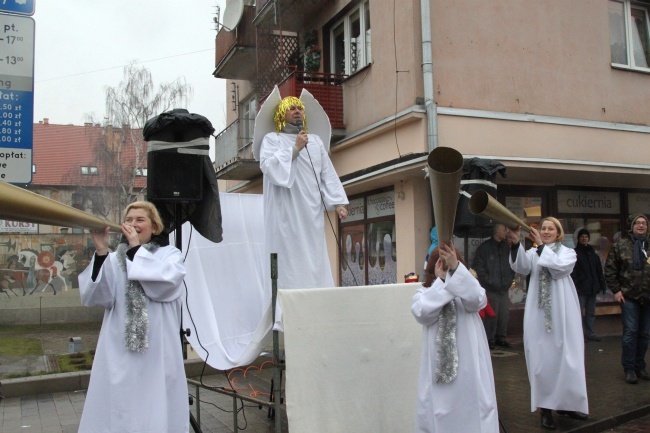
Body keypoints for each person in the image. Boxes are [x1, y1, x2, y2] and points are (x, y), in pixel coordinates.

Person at [77, 201, 189, 432]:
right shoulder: (114, 259)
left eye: (140, 220)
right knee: (121, 405)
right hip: (120, 348)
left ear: (154, 227)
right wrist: (100, 251)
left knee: (155, 405)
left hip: (156, 350)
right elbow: (97, 296)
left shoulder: (170, 254)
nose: (133, 224)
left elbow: (166, 285)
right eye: (128, 220)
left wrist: (136, 250)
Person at [257, 94, 349, 327]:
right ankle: (285, 316)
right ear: (281, 114)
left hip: (310, 212)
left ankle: (319, 310)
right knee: (289, 259)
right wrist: (294, 149)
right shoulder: (272, 139)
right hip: (285, 212)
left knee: (314, 257)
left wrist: (338, 202)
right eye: (291, 108)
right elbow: (267, 166)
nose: (297, 110)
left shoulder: (315, 141)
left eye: (300, 107)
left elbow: (326, 173)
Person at [508, 217, 588, 430]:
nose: (545, 231)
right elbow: (521, 267)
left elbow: (559, 268)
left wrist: (542, 247)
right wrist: (517, 242)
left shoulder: (568, 252)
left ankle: (568, 404)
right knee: (543, 360)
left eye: (550, 228)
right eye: (543, 228)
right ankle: (545, 409)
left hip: (563, 314)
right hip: (539, 314)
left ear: (558, 232)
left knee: (567, 357)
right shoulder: (534, 253)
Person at [411, 243, 499, 433]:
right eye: (441, 264)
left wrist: (456, 271)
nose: (445, 269)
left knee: (472, 409)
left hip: (469, 366)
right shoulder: (424, 293)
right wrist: (443, 282)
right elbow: (422, 313)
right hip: (438, 372)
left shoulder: (466, 289)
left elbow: (477, 299)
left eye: (448, 264)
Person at [604, 213, 650, 385]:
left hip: (648, 297)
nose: (640, 226)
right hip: (629, 297)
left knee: (644, 334)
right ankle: (629, 369)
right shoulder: (621, 245)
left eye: (643, 223)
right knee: (630, 333)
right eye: (637, 223)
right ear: (632, 226)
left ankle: (640, 366)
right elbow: (609, 270)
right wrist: (616, 291)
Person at [473, 223, 515, 349]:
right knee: (491, 315)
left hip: (504, 288)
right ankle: (489, 338)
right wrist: (489, 281)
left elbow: (513, 265)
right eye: (504, 230)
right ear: (496, 232)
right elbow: (478, 267)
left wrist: (509, 280)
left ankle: (501, 337)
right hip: (490, 288)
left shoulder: (507, 248)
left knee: (503, 314)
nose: (506, 232)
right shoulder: (484, 248)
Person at [571, 228, 607, 342]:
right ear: (578, 238)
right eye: (582, 236)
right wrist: (576, 284)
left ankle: (590, 333)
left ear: (589, 239)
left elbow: (599, 271)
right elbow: (573, 272)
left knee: (590, 313)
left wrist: (602, 285)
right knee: (579, 313)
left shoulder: (593, 255)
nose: (584, 238)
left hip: (592, 288)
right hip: (581, 289)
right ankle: (579, 335)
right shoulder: (574, 253)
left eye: (586, 236)